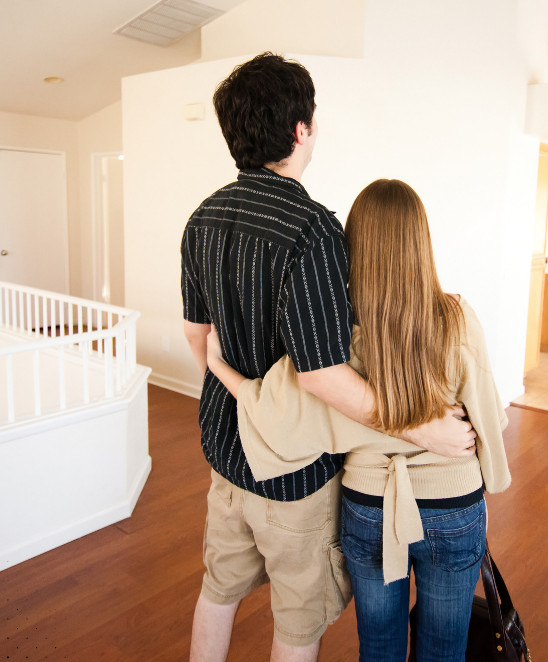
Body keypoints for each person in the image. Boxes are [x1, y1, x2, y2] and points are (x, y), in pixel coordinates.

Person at [181, 54, 478, 662]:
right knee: (299, 620)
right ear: (301, 129)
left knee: (217, 590)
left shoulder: (202, 218)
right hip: (291, 474)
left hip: (224, 456)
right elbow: (321, 375)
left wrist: (229, 378)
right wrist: (423, 428)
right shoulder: (312, 230)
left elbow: (198, 336)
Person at [205, 178, 512, 662]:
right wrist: (488, 473)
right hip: (453, 508)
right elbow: (490, 422)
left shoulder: (336, 337)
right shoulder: (458, 320)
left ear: (354, 247)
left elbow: (271, 409)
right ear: (421, 242)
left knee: (379, 648)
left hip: (368, 508)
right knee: (444, 650)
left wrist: (218, 365)